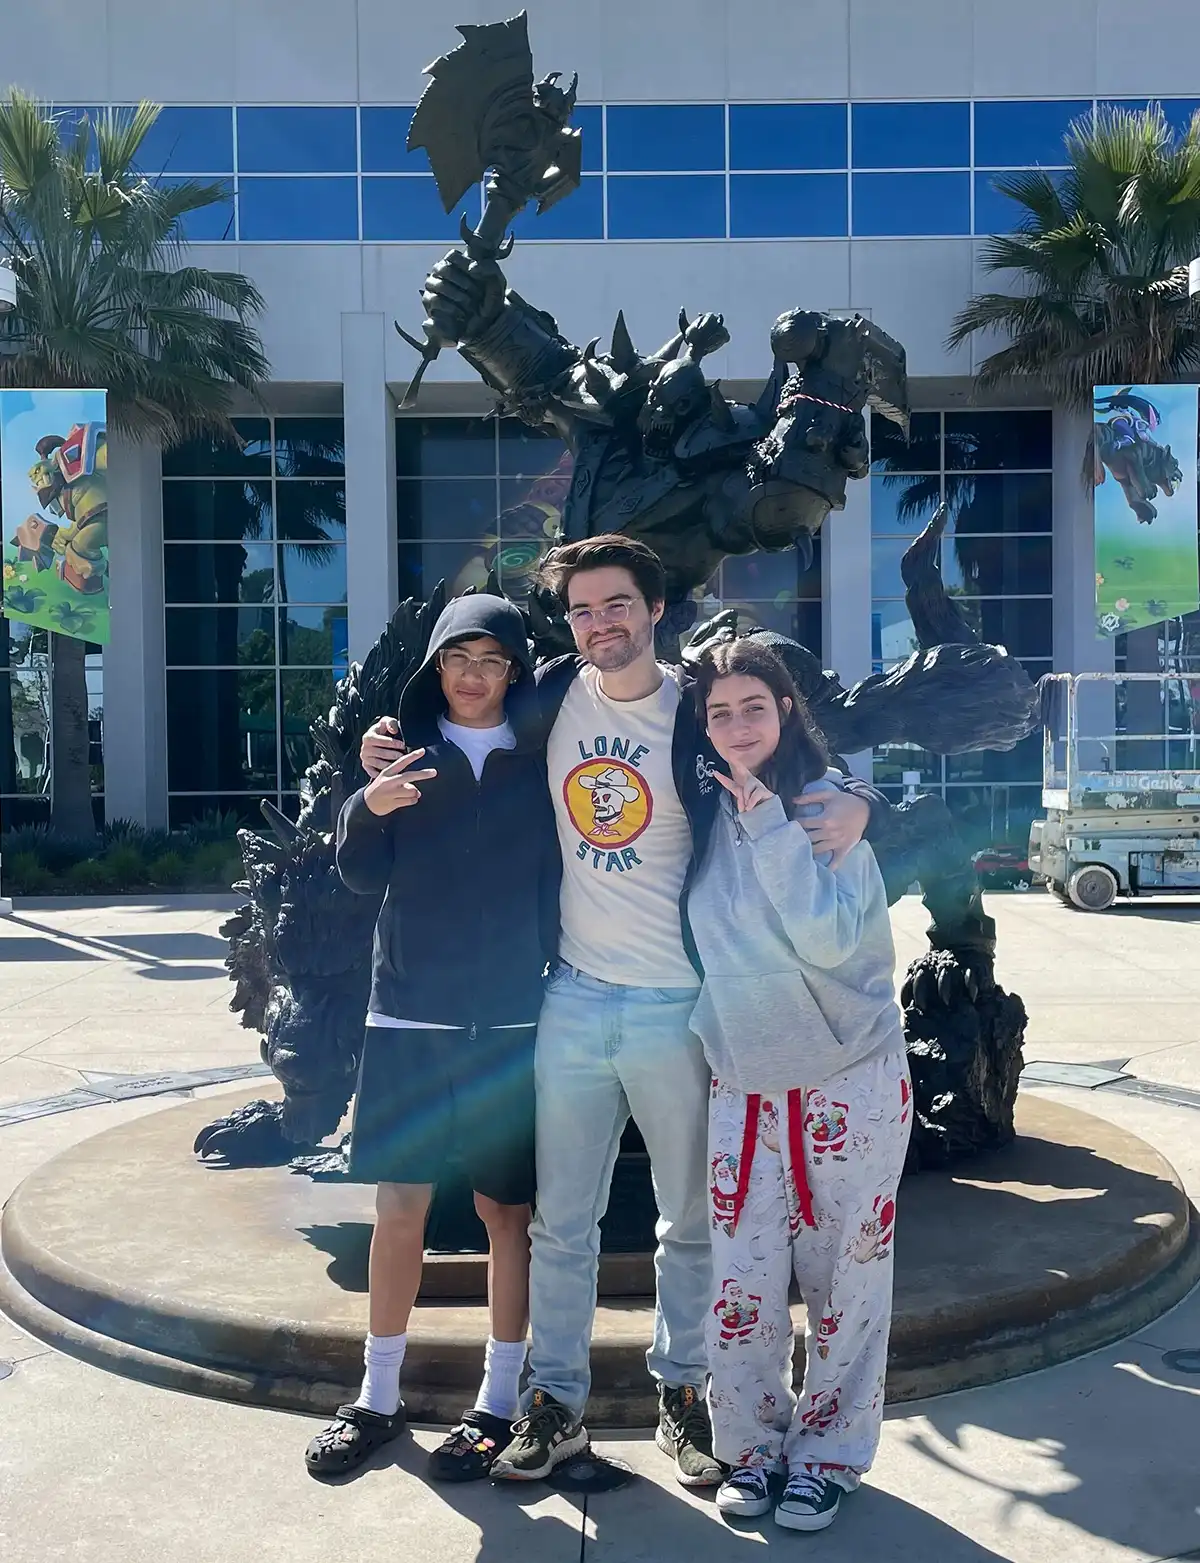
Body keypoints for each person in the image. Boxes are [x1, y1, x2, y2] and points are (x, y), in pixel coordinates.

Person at [360, 535, 886, 1487]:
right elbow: (454, 708)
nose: (600, 624)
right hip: (570, 995)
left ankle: (680, 1396)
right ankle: (555, 1406)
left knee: (689, 1220)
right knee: (563, 1219)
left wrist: (861, 795)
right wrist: (380, 747)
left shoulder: (697, 706)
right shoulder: (550, 696)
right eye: (583, 611)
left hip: (678, 1005)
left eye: (617, 606)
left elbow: (796, 747)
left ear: (653, 609)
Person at [305, 594, 559, 1483]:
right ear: (437, 668)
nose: (474, 674)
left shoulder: (543, 762)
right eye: (459, 657)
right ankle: (377, 1397)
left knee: (506, 1215)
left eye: (492, 659)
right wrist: (365, 805)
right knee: (399, 1207)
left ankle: (497, 1400)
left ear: (516, 670)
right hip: (408, 1014)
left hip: (509, 1026)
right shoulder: (408, 755)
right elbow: (357, 871)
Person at [686, 635, 912, 1533]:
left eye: (754, 705)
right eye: (718, 711)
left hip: (846, 1078)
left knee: (846, 1284)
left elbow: (824, 941)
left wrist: (781, 825)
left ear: (785, 711)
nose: (737, 724)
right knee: (740, 1290)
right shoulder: (702, 813)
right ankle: (750, 1446)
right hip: (745, 1084)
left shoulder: (823, 810)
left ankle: (828, 1456)